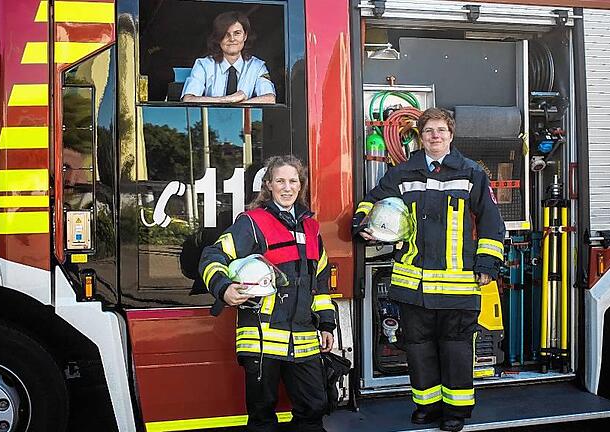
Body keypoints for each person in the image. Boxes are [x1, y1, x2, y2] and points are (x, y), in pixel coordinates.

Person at [352, 108, 505, 432]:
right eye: (429, 131)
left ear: (451, 135)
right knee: (419, 351)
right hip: (414, 285)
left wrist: (487, 263)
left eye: (441, 130)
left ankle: (456, 412)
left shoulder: (471, 174)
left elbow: (492, 221)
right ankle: (426, 406)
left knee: (456, 350)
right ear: (420, 137)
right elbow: (373, 202)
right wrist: (362, 224)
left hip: (457, 285)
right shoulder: (402, 174)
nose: (435, 136)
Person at [199, 155, 335, 431]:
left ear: (301, 185)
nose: (287, 187)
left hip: (305, 338)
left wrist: (327, 324)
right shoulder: (252, 223)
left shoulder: (310, 227)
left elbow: (319, 283)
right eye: (280, 181)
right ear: (269, 185)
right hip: (262, 339)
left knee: (314, 408)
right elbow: (212, 255)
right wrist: (223, 289)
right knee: (262, 418)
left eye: (293, 181)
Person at [181, 11, 276, 104]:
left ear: (245, 36)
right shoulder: (203, 65)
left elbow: (270, 98)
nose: (232, 39)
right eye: (226, 34)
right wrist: (228, 99)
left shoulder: (257, 66)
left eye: (237, 33)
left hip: (245, 119)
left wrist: (241, 105)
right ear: (218, 38)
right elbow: (188, 99)